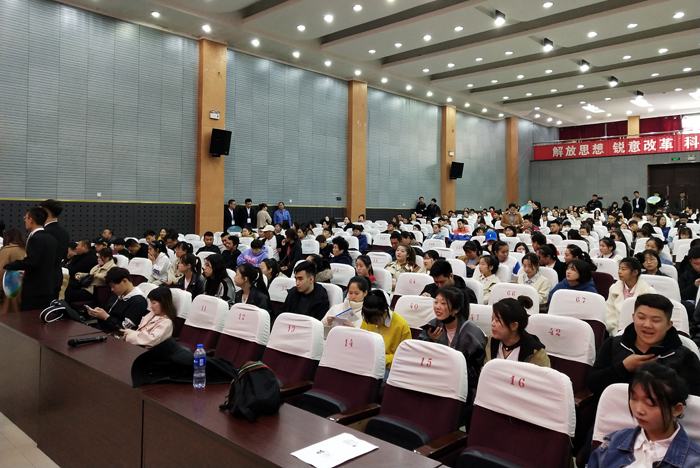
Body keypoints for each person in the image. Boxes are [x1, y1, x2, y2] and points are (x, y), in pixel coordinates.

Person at [588, 363, 700, 468]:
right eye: (633, 398)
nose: (639, 410)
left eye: (650, 403)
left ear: (676, 409)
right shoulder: (615, 441)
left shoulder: (694, 461)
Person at [588, 294, 700, 398]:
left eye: (656, 320)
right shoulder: (613, 344)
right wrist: (623, 367)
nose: (647, 325)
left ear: (668, 325)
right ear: (633, 317)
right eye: (641, 318)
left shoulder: (685, 357)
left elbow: (692, 400)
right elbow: (593, 384)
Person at [419, 285, 486, 403]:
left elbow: (475, 373)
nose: (437, 307)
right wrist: (432, 341)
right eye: (436, 302)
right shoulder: (433, 325)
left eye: (443, 303)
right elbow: (420, 354)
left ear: (456, 309)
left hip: (460, 388)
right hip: (432, 380)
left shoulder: (472, 334)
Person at [2, 207, 57, 311]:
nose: (25, 221)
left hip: (34, 289)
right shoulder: (52, 239)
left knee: (29, 318)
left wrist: (11, 265)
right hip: (48, 287)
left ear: (31, 219)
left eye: (25, 218)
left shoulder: (35, 239)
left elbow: (32, 262)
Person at [484, 296, 550, 367]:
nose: (492, 323)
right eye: (492, 319)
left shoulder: (535, 353)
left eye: (497, 320)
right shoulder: (492, 339)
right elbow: (485, 368)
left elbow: (543, 373)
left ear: (514, 326)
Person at [360, 290, 411, 374]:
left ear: (385, 312)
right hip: (367, 362)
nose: (372, 323)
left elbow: (405, 356)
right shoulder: (367, 321)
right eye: (369, 321)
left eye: (375, 320)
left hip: (388, 367)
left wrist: (381, 359)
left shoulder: (401, 325)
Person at [88, 267, 149, 332]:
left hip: (113, 335)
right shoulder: (118, 294)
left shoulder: (138, 302)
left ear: (124, 281)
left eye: (113, 286)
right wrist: (97, 314)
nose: (112, 289)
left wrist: (106, 317)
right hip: (101, 329)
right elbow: (108, 313)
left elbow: (124, 328)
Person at [605, 257, 656, 334]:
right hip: (617, 331)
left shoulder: (649, 292)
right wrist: (616, 332)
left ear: (635, 272)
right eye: (619, 268)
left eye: (623, 269)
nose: (619, 272)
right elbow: (609, 313)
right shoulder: (614, 288)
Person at [39, 199, 70, 299]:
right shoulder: (65, 233)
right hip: (57, 275)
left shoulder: (43, 232)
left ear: (46, 212)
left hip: (43, 278)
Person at [0, 229, 27, 313]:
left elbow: (1, 271)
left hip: (9, 291)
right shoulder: (26, 250)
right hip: (25, 290)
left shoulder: (6, 251)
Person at [679, 247, 700, 322]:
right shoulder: (685, 275)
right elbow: (681, 295)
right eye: (697, 264)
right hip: (692, 305)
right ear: (691, 262)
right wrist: (694, 286)